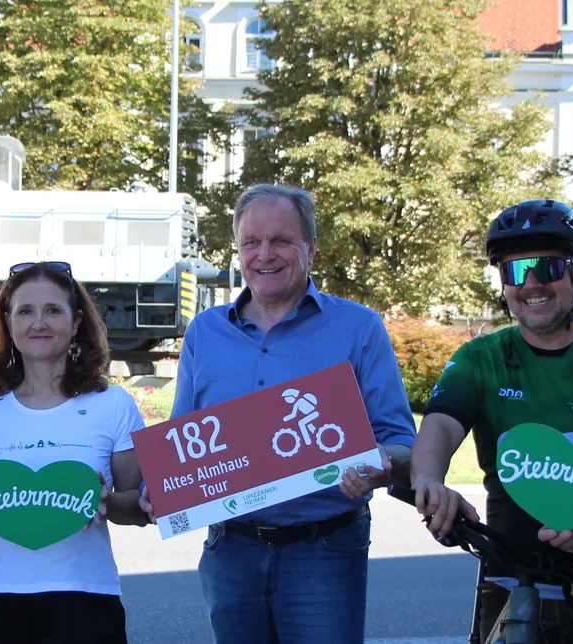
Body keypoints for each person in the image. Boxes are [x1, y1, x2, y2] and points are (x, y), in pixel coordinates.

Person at [156, 183, 417, 643]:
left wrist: (380, 462)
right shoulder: (205, 331)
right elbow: (183, 440)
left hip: (325, 548)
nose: (265, 254)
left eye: (281, 240)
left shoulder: (359, 328)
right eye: (251, 242)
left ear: (310, 249)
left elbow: (402, 441)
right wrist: (161, 490)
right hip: (229, 549)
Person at [411, 199, 573, 643]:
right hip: (512, 579)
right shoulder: (481, 357)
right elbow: (440, 424)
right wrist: (430, 480)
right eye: (515, 271)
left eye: (547, 268)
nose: (531, 284)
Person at [0, 260, 148, 643]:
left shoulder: (114, 405)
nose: (38, 323)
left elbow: (140, 507)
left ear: (76, 323)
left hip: (86, 597)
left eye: (52, 310)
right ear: (8, 322)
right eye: (25, 311)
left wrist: (104, 500)